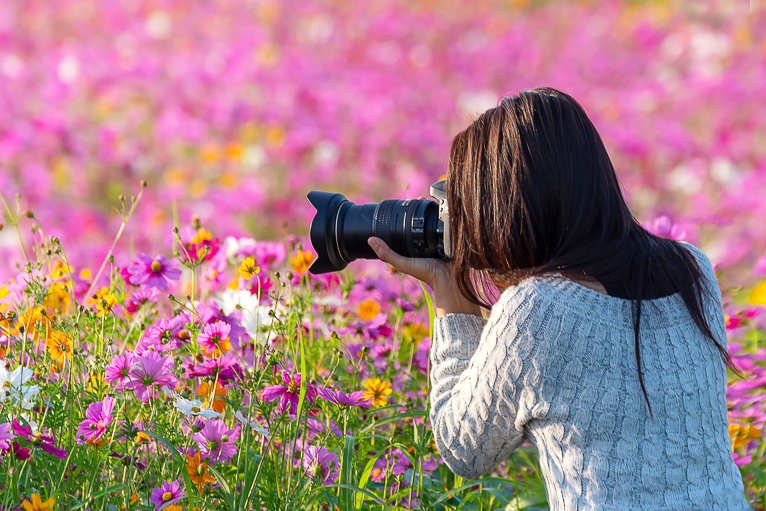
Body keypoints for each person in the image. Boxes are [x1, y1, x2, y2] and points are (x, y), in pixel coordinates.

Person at [367, 87, 751, 510]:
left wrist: (450, 294)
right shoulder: (693, 269)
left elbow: (463, 449)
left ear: (507, 204)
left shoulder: (537, 309)